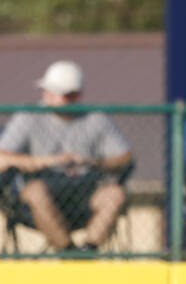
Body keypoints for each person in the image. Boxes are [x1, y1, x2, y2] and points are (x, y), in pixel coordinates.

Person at [0, 60, 133, 250]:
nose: (47, 95)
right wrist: (45, 161)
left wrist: (92, 162)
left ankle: (88, 250)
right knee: (35, 191)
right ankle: (68, 251)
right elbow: (2, 157)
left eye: (56, 92)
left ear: (75, 95)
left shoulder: (95, 118)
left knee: (115, 194)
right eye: (47, 90)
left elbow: (124, 156)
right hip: (43, 196)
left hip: (84, 192)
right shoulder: (29, 116)